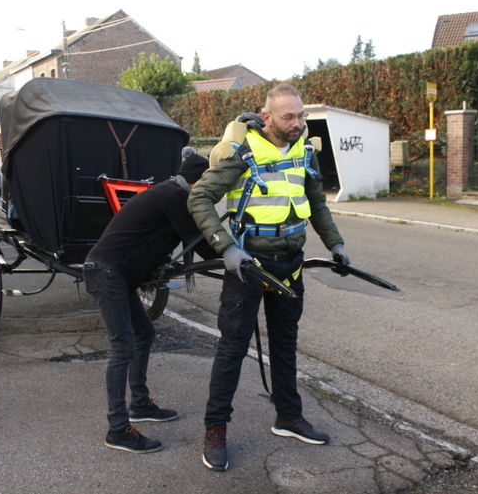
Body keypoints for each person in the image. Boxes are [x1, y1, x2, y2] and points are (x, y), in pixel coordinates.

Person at [188, 83, 350, 471]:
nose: (297, 123)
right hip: (248, 266)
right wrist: (226, 248)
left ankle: (288, 417)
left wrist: (336, 244)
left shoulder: (304, 151)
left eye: (301, 116)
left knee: (285, 343)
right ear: (267, 117)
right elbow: (199, 197)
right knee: (232, 348)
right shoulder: (243, 152)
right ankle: (215, 429)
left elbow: (317, 204)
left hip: (290, 264)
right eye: (288, 117)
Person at [84, 148, 218, 454]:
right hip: (108, 273)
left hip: (115, 274)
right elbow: (203, 245)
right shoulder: (176, 196)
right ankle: (117, 429)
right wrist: (233, 249)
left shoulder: (171, 192)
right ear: (198, 182)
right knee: (123, 346)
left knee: (144, 333)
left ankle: (140, 404)